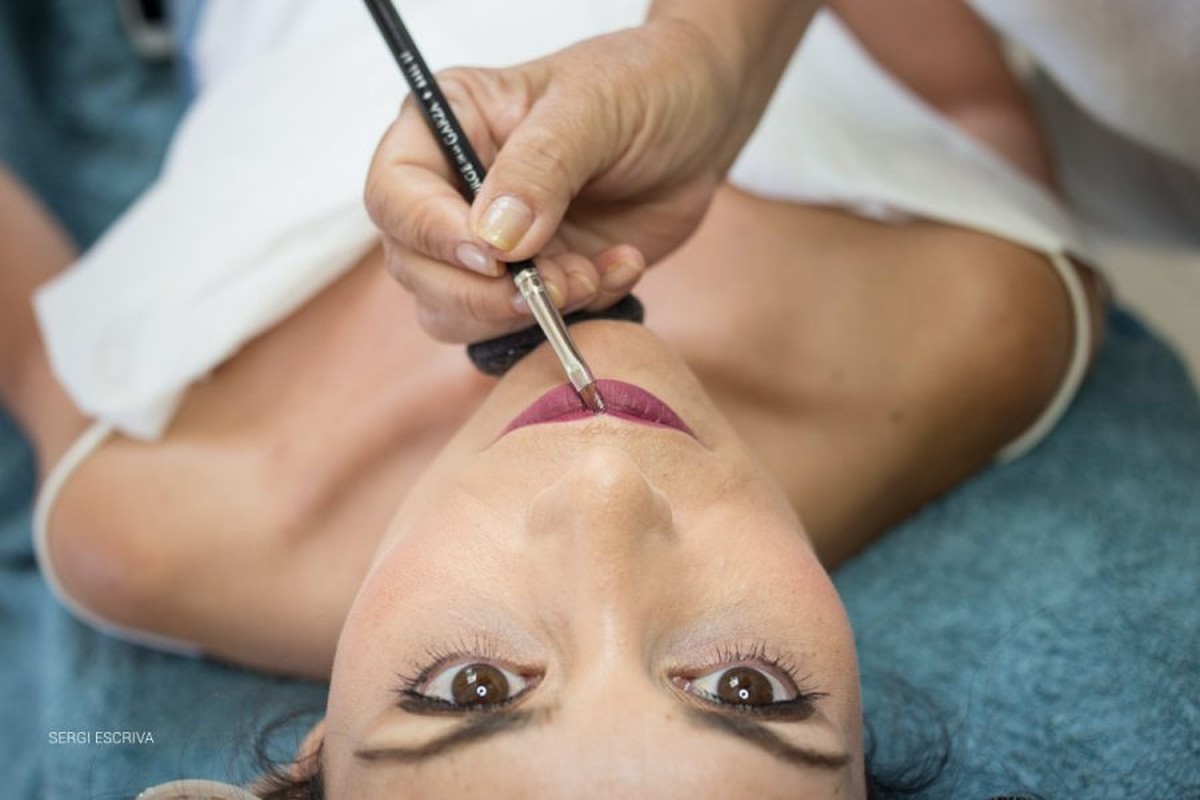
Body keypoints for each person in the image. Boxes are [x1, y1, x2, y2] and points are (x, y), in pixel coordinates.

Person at [1, 0, 1108, 797]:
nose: (603, 495)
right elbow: (963, 85)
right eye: (746, 685)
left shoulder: (152, 527)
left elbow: (31, 339)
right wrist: (709, 46)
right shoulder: (988, 320)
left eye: (472, 684)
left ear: (306, 760)